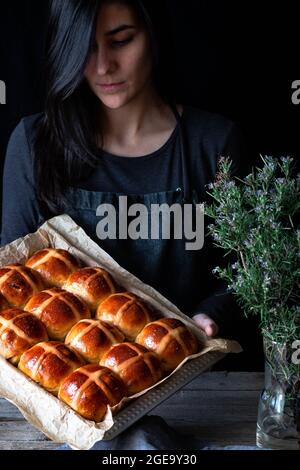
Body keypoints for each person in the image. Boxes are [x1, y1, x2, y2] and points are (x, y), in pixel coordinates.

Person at [1, 0, 251, 343]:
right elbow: (15, 282)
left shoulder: (214, 144)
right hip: (66, 382)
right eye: (86, 48)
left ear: (152, 35)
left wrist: (211, 315)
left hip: (193, 367)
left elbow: (244, 271)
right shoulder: (35, 145)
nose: (104, 66)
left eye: (121, 41)